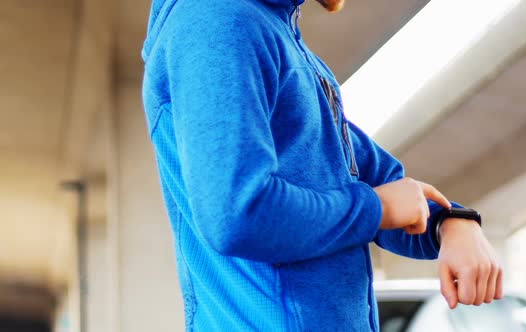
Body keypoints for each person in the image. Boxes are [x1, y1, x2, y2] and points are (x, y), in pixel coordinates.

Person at [141, 0, 503, 330]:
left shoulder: (275, 34)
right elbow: (237, 213)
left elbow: (376, 181)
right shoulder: (218, 21)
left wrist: (453, 223)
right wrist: (377, 208)